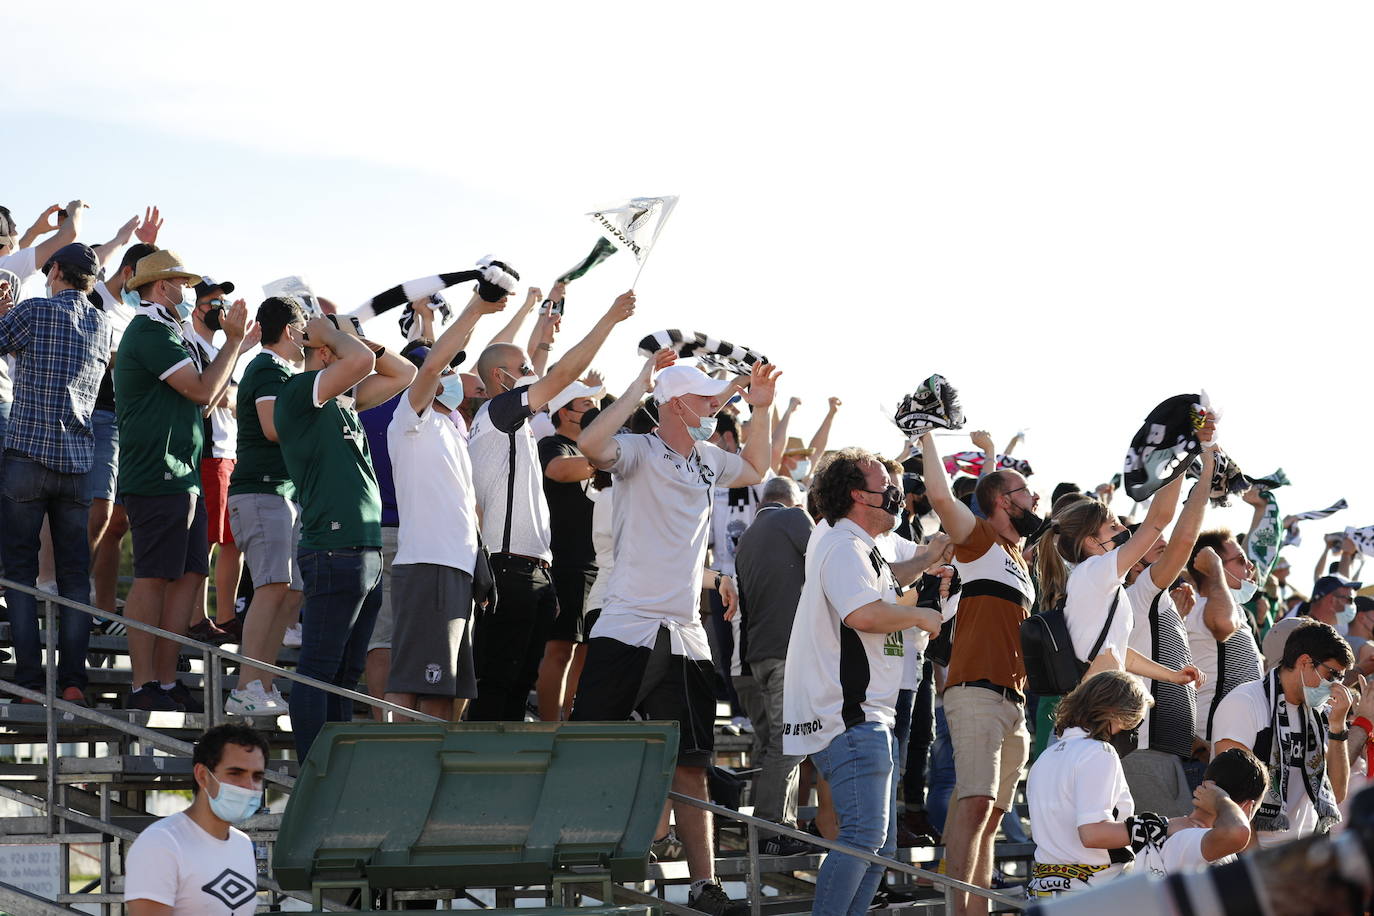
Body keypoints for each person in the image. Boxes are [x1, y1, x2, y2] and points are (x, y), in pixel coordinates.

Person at [574, 353, 779, 916]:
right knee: (592, 748)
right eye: (708, 399)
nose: (717, 407)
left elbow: (758, 467)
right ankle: (583, 859)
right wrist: (639, 383)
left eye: (719, 399)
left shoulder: (711, 458)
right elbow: (592, 444)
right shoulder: (636, 449)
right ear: (675, 403)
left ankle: (702, 883)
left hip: (684, 632)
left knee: (692, 762)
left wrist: (759, 407)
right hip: (624, 623)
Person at [782, 448, 943, 915]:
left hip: (870, 715)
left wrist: (929, 562)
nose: (896, 495)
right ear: (857, 494)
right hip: (852, 715)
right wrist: (923, 614)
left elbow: (881, 588)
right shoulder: (842, 544)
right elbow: (864, 613)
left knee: (878, 850)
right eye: (886, 488)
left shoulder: (858, 547)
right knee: (862, 842)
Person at [466, 290, 636, 722]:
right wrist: (609, 318)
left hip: (534, 572)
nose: (532, 374)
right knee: (498, 689)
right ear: (503, 378)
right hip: (508, 569)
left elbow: (549, 370)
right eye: (524, 370)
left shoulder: (514, 418)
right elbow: (562, 374)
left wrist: (544, 334)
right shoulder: (497, 413)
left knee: (518, 686)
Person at [275, 315, 416, 757]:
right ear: (322, 353)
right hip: (334, 549)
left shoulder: (343, 401)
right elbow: (356, 361)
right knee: (318, 669)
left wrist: (352, 338)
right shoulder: (301, 392)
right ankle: (316, 769)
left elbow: (404, 373)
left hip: (364, 549)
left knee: (345, 671)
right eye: (339, 344)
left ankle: (335, 765)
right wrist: (330, 336)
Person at [116, 250, 250, 712]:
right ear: (161, 287)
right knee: (155, 576)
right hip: (156, 471)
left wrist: (230, 347)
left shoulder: (169, 331)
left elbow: (207, 400)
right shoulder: (150, 330)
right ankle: (141, 683)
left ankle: (166, 682)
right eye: (179, 282)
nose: (186, 291)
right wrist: (233, 342)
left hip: (182, 471)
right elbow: (202, 391)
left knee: (191, 574)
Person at [917, 430, 1037, 916]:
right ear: (1003, 502)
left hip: (1014, 701)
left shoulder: (1015, 559)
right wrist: (924, 432)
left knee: (990, 816)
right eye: (1026, 492)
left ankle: (976, 909)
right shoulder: (981, 539)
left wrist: (991, 458)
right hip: (975, 693)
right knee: (972, 805)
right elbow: (943, 496)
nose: (1035, 500)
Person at [0, 243, 111, 705]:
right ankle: (73, 682)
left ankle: (28, 681)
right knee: (73, 580)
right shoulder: (103, 323)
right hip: (77, 463)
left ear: (59, 271)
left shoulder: (35, 311)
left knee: (21, 574)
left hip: (26, 454)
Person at [385, 292, 503, 720]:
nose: (454, 376)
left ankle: (431, 773)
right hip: (428, 565)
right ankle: (397, 771)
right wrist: (477, 307)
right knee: (416, 683)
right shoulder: (411, 418)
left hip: (456, 568)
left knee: (446, 691)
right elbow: (434, 364)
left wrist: (476, 565)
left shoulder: (453, 428)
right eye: (449, 369)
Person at [1036, 480, 1205, 694]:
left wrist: (1172, 675)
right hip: (1096, 704)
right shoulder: (1094, 571)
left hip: (1103, 702)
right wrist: (1178, 464)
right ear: (1091, 542)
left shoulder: (1100, 581)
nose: (1125, 530)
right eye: (1113, 527)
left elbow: (1120, 652)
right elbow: (1158, 519)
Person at [224, 297, 308, 716]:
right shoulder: (269, 368)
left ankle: (263, 683)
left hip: (279, 494)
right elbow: (274, 429)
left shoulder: (278, 370)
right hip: (262, 491)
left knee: (289, 592)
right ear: (291, 330)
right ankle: (246, 687)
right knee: (272, 588)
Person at [1121, 448, 1215, 816]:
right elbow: (1184, 539)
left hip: (1174, 753)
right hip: (1144, 753)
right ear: (1133, 564)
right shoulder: (1139, 592)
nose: (1162, 544)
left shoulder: (1164, 603)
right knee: (1159, 863)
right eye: (1151, 544)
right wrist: (1195, 468)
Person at [1212, 619, 1357, 848]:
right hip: (1261, 851)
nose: (1336, 685)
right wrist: (1256, 865)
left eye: (1341, 678)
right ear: (1305, 662)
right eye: (1332, 675)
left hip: (1308, 851)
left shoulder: (1319, 715)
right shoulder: (1245, 703)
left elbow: (1337, 793)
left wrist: (1338, 729)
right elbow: (1230, 796)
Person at [733, 474, 813, 845]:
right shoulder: (795, 519)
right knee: (789, 742)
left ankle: (785, 824)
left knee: (778, 743)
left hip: (756, 656)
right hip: (788, 652)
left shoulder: (746, 539)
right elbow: (829, 563)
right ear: (794, 501)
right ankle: (771, 829)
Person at [1025, 670, 1152, 899]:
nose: (1134, 731)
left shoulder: (1046, 756)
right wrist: (1158, 828)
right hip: (1091, 893)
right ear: (1114, 712)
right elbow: (1093, 834)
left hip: (1044, 891)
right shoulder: (1099, 752)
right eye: (1134, 721)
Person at [125, 724, 268, 916]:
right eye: (235, 773)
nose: (248, 786)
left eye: (257, 776)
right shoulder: (161, 843)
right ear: (202, 776)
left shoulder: (242, 844)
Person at [534, 376, 605, 721]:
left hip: (596, 565)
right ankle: (550, 728)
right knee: (561, 648)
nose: (595, 410)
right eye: (587, 404)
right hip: (565, 562)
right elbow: (557, 471)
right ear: (564, 413)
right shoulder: (553, 444)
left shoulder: (590, 449)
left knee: (587, 651)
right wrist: (607, 459)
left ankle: (569, 720)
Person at [185, 276, 250, 643]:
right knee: (206, 541)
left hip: (229, 453)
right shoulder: (190, 343)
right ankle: (198, 617)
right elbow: (211, 397)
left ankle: (226, 616)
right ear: (196, 308)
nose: (221, 309)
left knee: (231, 542)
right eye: (213, 302)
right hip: (207, 453)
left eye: (223, 302)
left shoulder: (218, 350)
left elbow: (234, 400)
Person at [1133, 748, 1267, 876]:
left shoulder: (1169, 827)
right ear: (1247, 807)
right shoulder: (1199, 840)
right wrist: (1221, 799)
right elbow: (1238, 831)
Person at [1186, 528, 1265, 743]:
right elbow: (1223, 624)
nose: (1250, 566)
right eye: (1240, 560)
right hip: (1211, 743)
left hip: (1236, 739)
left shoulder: (1235, 610)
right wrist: (1214, 569)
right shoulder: (1198, 605)